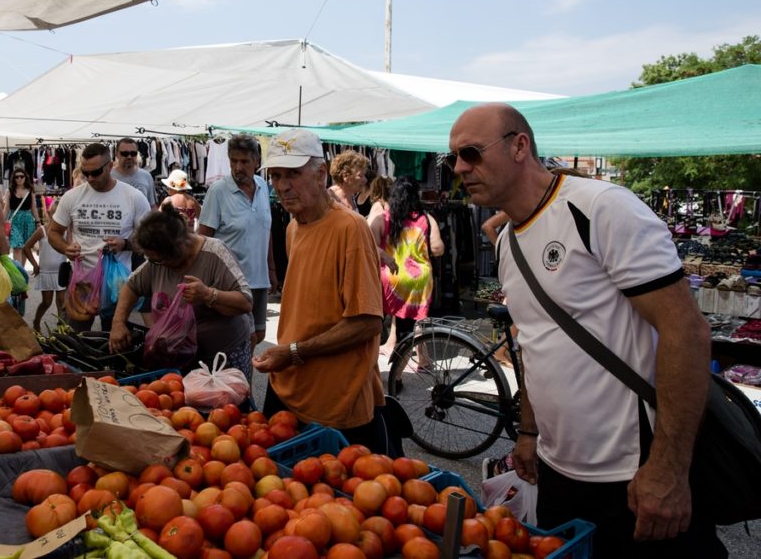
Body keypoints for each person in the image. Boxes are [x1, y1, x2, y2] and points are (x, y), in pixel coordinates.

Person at [448, 103, 721, 556]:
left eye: (472, 153)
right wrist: (530, 434)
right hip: (558, 475)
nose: (459, 168)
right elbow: (536, 342)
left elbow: (687, 332)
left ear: (520, 146)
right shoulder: (509, 244)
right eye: (452, 158)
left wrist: (668, 469)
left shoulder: (601, 208)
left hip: (635, 472)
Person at [251, 130, 391, 453]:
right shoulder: (292, 227)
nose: (283, 185)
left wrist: (295, 351)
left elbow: (368, 322)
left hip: (335, 404)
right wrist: (288, 355)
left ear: (321, 174)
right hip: (286, 388)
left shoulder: (350, 229)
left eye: (294, 174)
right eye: (276, 176)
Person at [109, 204, 254, 378]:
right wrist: (118, 323)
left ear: (180, 246)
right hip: (177, 357)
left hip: (222, 357)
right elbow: (131, 285)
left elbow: (245, 302)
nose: (156, 264)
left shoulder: (215, 252)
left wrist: (208, 295)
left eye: (160, 260)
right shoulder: (157, 261)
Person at [48, 143, 151, 331]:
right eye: (85, 173)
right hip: (81, 281)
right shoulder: (71, 197)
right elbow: (53, 232)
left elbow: (151, 240)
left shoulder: (134, 197)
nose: (90, 178)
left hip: (117, 283)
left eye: (95, 173)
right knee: (76, 337)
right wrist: (65, 248)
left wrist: (125, 244)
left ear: (110, 166)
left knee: (114, 339)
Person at [198, 134, 276, 345]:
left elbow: (265, 230)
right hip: (230, 284)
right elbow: (203, 239)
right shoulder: (218, 191)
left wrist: (271, 270)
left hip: (258, 281)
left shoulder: (261, 187)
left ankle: (242, 378)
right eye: (234, 161)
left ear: (256, 162)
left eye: (244, 161)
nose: (238, 167)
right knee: (241, 338)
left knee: (257, 336)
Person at [369, 176, 444, 355]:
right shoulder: (427, 219)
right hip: (420, 278)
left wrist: (387, 256)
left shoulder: (382, 219)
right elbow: (438, 249)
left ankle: (383, 348)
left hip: (391, 276)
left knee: (380, 316)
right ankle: (422, 357)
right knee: (419, 319)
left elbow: (368, 246)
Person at [22, 198, 68, 334]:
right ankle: (36, 320)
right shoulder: (42, 230)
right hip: (46, 272)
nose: (56, 218)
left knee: (61, 301)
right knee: (47, 302)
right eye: (54, 214)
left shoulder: (66, 231)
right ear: (48, 214)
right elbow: (27, 247)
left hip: (60, 272)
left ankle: (61, 326)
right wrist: (35, 265)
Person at [5, 168, 40, 264]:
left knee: (25, 246)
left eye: (21, 176)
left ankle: (22, 271)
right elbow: (6, 208)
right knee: (17, 246)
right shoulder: (9, 191)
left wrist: (38, 222)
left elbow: (33, 208)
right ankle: (19, 271)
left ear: (25, 177)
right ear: (13, 178)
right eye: (16, 177)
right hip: (14, 220)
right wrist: (2, 221)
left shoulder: (30, 190)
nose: (19, 179)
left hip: (28, 220)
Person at [112, 137, 158, 209]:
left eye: (133, 153)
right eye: (125, 153)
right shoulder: (109, 176)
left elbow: (152, 206)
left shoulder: (146, 176)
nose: (129, 157)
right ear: (117, 154)